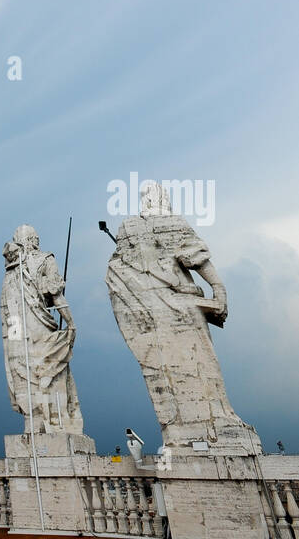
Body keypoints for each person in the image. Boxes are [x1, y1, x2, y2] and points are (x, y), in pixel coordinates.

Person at [105, 182, 259, 449]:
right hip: (179, 310)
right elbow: (195, 257)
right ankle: (214, 424)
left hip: (150, 313)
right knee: (200, 365)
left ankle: (180, 430)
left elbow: (117, 271)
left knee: (164, 369)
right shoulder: (168, 222)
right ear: (163, 197)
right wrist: (219, 289)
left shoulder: (126, 229)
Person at [1, 226, 84, 435]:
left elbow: (8, 313)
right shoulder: (46, 260)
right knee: (53, 368)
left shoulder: (10, 272)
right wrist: (71, 323)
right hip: (39, 328)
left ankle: (33, 424)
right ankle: (57, 423)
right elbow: (57, 296)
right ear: (35, 240)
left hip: (16, 332)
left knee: (24, 371)